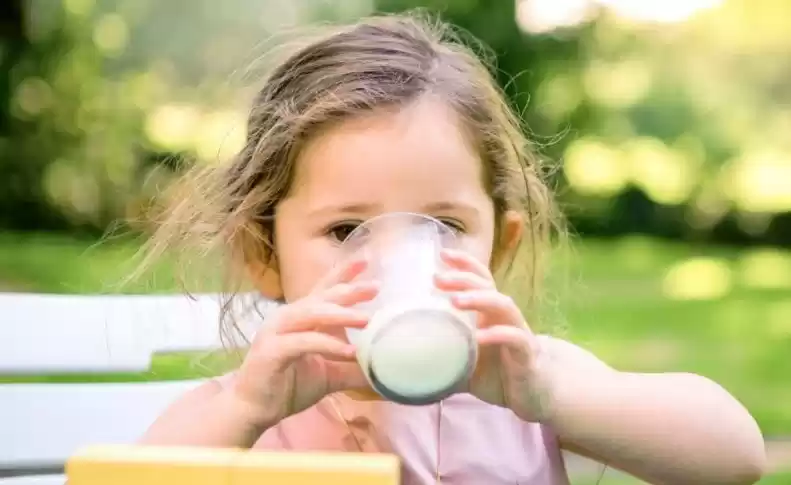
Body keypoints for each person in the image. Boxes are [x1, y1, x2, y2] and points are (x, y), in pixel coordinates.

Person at [137, 13, 766, 485]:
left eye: (442, 227)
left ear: (498, 247)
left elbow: (735, 458)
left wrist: (550, 396)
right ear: (264, 254)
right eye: (346, 231)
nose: (391, 262)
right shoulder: (248, 407)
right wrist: (246, 410)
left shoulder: (526, 380)